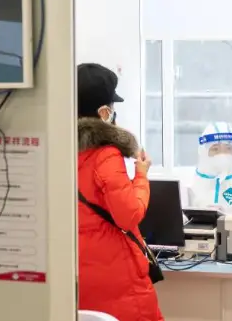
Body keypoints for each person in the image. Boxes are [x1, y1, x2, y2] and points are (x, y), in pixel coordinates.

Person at [75, 63, 164, 321]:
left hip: (78, 271)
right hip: (116, 275)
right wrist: (141, 175)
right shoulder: (106, 155)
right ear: (104, 113)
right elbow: (129, 215)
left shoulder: (59, 151)